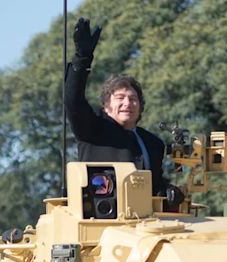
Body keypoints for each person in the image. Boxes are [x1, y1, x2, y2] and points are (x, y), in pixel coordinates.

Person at [65, 17, 183, 208]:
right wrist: (82, 57)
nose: (127, 103)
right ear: (106, 106)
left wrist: (169, 190)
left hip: (144, 225)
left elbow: (154, 186)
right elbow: (73, 101)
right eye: (120, 98)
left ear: (140, 107)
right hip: (101, 221)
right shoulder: (93, 129)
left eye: (133, 99)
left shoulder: (153, 143)